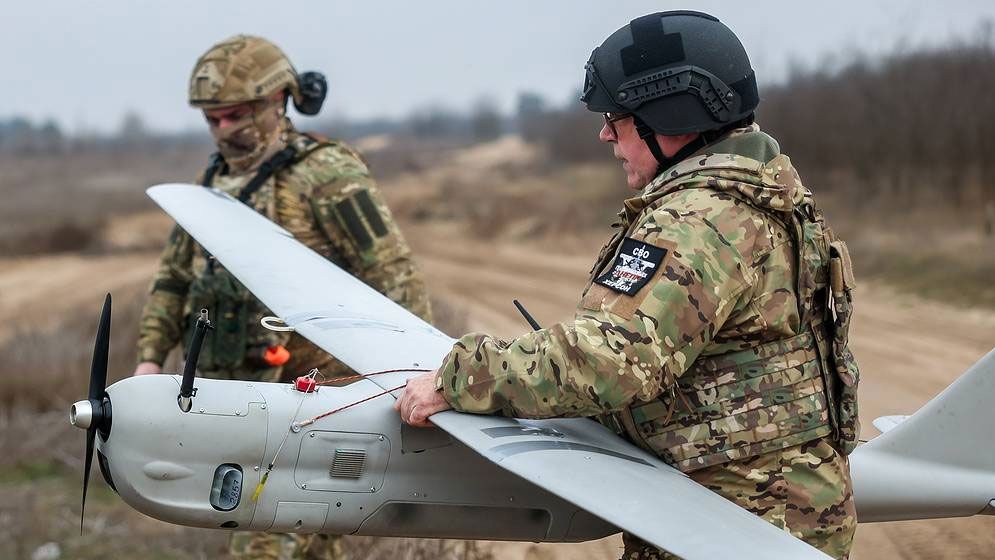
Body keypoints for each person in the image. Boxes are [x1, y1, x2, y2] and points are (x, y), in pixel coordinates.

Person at [395, 11, 860, 560]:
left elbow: (610, 361)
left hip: (729, 519)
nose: (605, 133)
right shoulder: (767, 194)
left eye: (618, 117)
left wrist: (460, 379)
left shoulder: (697, 221)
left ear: (674, 117)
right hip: (778, 512)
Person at [134, 34, 432, 560]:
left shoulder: (326, 174)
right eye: (213, 119)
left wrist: (415, 377)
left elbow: (393, 274)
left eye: (235, 115)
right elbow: (174, 278)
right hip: (233, 405)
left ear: (277, 101)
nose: (224, 129)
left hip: (307, 406)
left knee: (266, 545)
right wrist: (150, 358)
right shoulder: (212, 182)